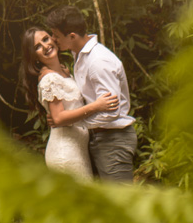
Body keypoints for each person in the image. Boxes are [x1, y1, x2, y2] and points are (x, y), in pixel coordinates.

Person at [46, 6, 136, 182]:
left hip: (113, 140)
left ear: (72, 36)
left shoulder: (98, 62)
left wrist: (71, 120)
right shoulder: (78, 54)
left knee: (120, 201)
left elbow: (111, 111)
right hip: (97, 138)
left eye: (56, 35)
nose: (53, 40)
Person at [18, 26, 119, 179]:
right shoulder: (49, 79)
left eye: (45, 39)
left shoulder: (64, 70)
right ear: (34, 57)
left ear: (53, 38)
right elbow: (59, 118)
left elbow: (65, 111)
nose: (45, 46)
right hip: (65, 153)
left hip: (77, 149)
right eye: (38, 47)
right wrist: (96, 106)